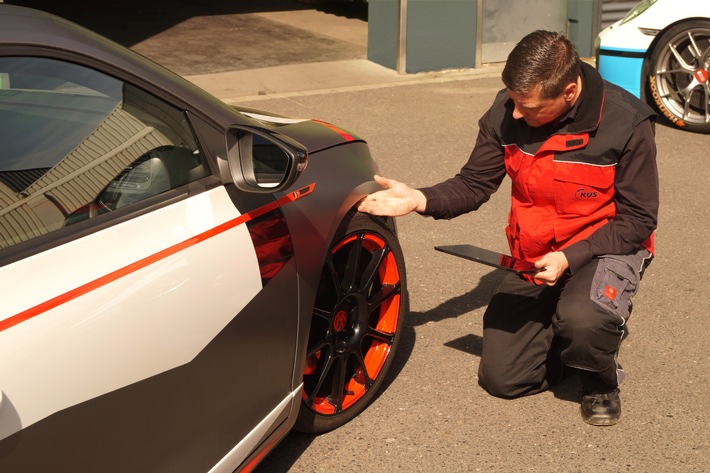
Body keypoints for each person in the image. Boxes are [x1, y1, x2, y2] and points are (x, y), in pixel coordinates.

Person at [357, 30, 658, 426]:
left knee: (585, 320)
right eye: (513, 101)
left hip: (604, 248)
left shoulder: (627, 122)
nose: (515, 114)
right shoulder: (507, 110)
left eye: (529, 106)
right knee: (502, 378)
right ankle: (571, 337)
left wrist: (570, 257)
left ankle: (598, 374)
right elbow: (474, 183)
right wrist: (419, 199)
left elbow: (637, 219)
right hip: (535, 255)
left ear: (569, 92)